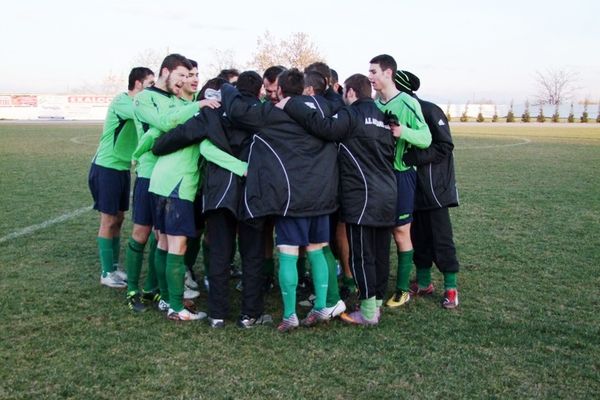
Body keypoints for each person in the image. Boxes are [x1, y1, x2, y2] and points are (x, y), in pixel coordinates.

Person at [220, 68, 339, 332]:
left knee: (288, 252)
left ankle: (290, 315)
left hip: (291, 198)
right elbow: (338, 105)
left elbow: (238, 111)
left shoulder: (272, 113)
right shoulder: (323, 109)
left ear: (281, 91)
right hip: (321, 196)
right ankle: (321, 306)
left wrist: (226, 88)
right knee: (316, 249)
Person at [153, 71, 275, 328]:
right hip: (253, 192)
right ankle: (249, 314)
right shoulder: (264, 114)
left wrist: (158, 146)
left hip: (220, 192)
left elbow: (180, 135)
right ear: (259, 91)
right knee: (252, 254)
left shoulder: (213, 111)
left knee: (219, 252)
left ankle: (218, 314)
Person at [282, 73, 397, 325]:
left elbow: (323, 128)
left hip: (362, 195)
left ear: (351, 93)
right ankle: (376, 302)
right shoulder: (383, 117)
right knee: (379, 252)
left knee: (362, 255)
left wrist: (291, 104)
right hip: (388, 193)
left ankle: (368, 312)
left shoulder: (351, 114)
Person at [125, 54, 218, 315]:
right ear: (166, 72)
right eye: (180, 76)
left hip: (170, 176)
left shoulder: (178, 99)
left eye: (189, 77)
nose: (184, 81)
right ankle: (133, 290)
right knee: (142, 233)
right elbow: (165, 124)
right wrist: (198, 105)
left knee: (162, 238)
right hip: (149, 173)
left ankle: (157, 291)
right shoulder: (145, 98)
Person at [368, 54, 431, 309]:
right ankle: (374, 285)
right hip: (377, 176)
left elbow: (426, 137)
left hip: (402, 174)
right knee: (378, 231)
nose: (370, 77)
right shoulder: (374, 104)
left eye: (374, 72)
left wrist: (402, 131)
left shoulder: (407, 102)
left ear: (388, 73)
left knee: (401, 231)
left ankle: (402, 290)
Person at [394, 70, 460, 309]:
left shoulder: (429, 110)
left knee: (441, 240)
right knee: (417, 237)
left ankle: (451, 289)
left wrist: (415, 157)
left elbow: (445, 145)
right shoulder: (396, 109)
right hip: (411, 187)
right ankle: (423, 283)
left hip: (434, 190)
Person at [88, 66, 155, 289]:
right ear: (138, 84)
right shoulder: (123, 102)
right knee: (108, 220)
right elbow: (142, 115)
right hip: (106, 167)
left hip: (122, 168)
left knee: (119, 218)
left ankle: (114, 267)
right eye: (150, 84)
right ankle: (106, 272)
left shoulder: (138, 102)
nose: (153, 89)